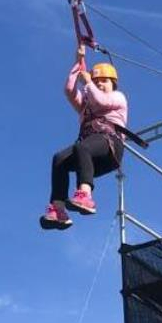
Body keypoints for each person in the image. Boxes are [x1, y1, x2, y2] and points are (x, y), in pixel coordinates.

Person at [39, 45, 128, 230]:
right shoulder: (87, 106)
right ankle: (58, 209)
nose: (100, 84)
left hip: (110, 146)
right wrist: (77, 63)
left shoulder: (118, 97)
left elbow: (101, 102)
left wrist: (88, 82)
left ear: (113, 83)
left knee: (82, 146)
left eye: (104, 81)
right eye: (97, 82)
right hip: (90, 154)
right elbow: (70, 91)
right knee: (59, 159)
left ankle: (85, 195)